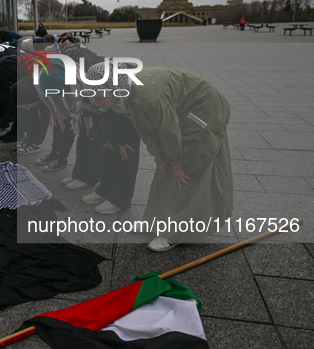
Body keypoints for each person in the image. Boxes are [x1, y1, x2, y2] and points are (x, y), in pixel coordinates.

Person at [85, 65, 233, 252]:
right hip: (179, 113)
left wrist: (178, 165)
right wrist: (160, 159)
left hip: (203, 111)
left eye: (99, 97)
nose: (97, 104)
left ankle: (176, 232)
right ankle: (156, 221)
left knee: (187, 171)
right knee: (164, 170)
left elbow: (169, 131)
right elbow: (145, 128)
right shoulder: (127, 95)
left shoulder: (147, 97)